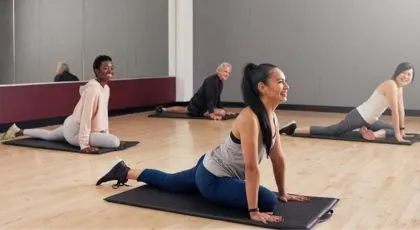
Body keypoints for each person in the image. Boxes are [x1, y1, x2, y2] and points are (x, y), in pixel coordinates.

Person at [96, 63, 308, 223]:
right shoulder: (250, 118)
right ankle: (207, 189)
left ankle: (124, 171)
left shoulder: (271, 116)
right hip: (214, 178)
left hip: (207, 166)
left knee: (170, 182)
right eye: (280, 81)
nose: (286, 86)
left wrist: (282, 192)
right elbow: (251, 167)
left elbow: (278, 158)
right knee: (266, 201)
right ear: (262, 87)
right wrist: (253, 211)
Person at [1, 55, 120, 153]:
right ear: (97, 71)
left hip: (71, 123)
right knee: (115, 142)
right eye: (105, 68)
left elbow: (103, 114)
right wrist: (84, 145)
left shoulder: (106, 89)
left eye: (111, 68)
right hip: (75, 130)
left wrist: (105, 134)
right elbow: (86, 117)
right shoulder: (93, 88)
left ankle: (18, 131)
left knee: (50, 135)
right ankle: (18, 131)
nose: (110, 71)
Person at [279, 62, 415, 143]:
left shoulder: (399, 88)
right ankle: (293, 129)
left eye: (409, 75)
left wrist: (401, 131)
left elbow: (401, 110)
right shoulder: (391, 85)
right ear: (397, 73)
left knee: (392, 129)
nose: (406, 76)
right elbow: (395, 111)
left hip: (371, 120)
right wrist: (398, 135)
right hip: (358, 117)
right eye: (404, 73)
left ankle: (371, 133)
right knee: (331, 131)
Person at [156, 62, 236, 120]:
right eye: (225, 71)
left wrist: (225, 111)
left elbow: (217, 98)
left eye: (229, 73)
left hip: (201, 106)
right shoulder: (211, 81)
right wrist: (212, 114)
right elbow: (209, 98)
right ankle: (164, 109)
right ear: (219, 70)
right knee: (221, 112)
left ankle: (164, 109)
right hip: (198, 106)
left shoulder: (219, 82)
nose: (227, 74)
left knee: (185, 110)